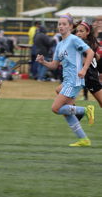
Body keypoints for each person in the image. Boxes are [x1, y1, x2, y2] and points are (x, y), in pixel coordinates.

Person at [36, 15, 94, 147]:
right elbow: (54, 65)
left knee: (56, 108)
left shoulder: (74, 39)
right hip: (67, 80)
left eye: (64, 24)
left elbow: (90, 52)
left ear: (70, 26)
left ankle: (85, 110)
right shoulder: (60, 45)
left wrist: (84, 69)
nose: (61, 26)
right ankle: (83, 139)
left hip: (74, 80)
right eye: (59, 24)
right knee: (66, 110)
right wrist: (43, 62)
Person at [73, 21, 101, 114]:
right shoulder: (86, 42)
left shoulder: (84, 43)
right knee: (61, 92)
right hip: (84, 76)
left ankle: (79, 113)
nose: (78, 33)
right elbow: (97, 56)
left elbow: (85, 61)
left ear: (87, 32)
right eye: (77, 31)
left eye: (81, 31)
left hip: (90, 77)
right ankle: (78, 113)